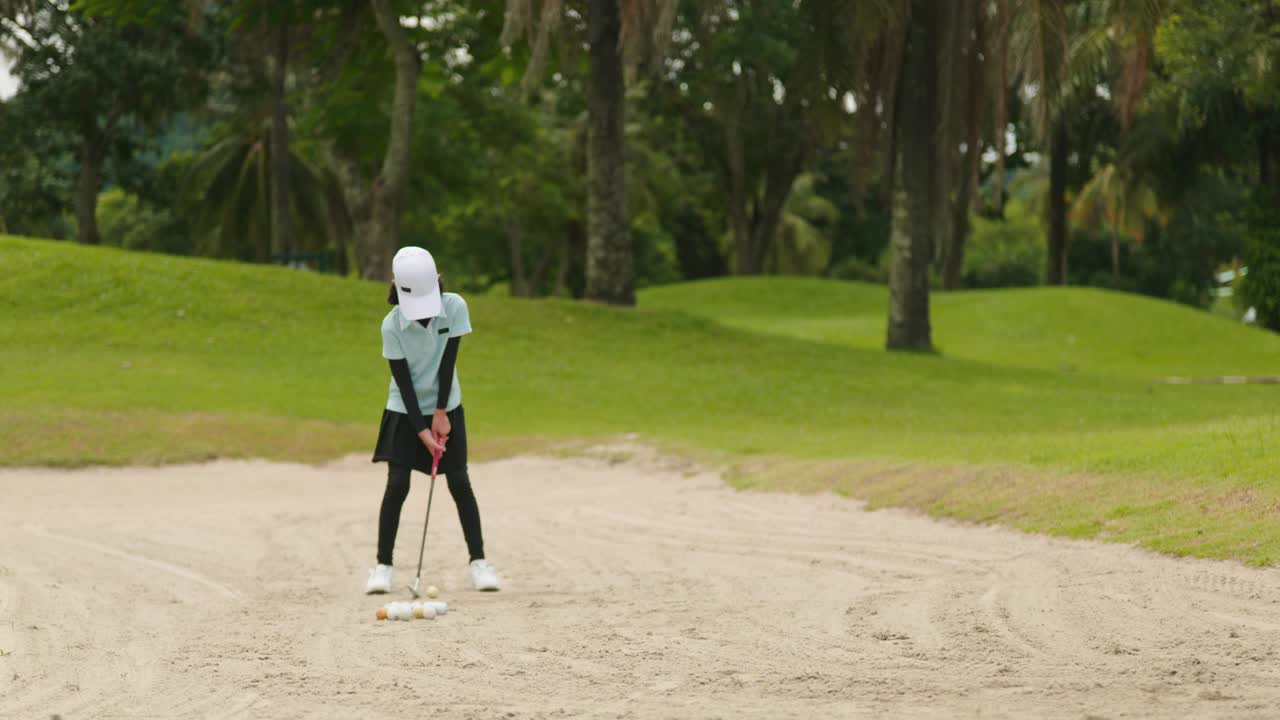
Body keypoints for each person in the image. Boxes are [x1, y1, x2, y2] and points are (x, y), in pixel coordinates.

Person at [366, 246, 501, 594]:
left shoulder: (454, 307)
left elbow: (447, 362)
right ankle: (382, 566)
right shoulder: (391, 325)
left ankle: (479, 562)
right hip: (404, 408)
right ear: (396, 286)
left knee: (459, 482)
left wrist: (440, 414)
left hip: (447, 404)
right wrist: (422, 429)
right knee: (397, 484)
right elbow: (403, 382)